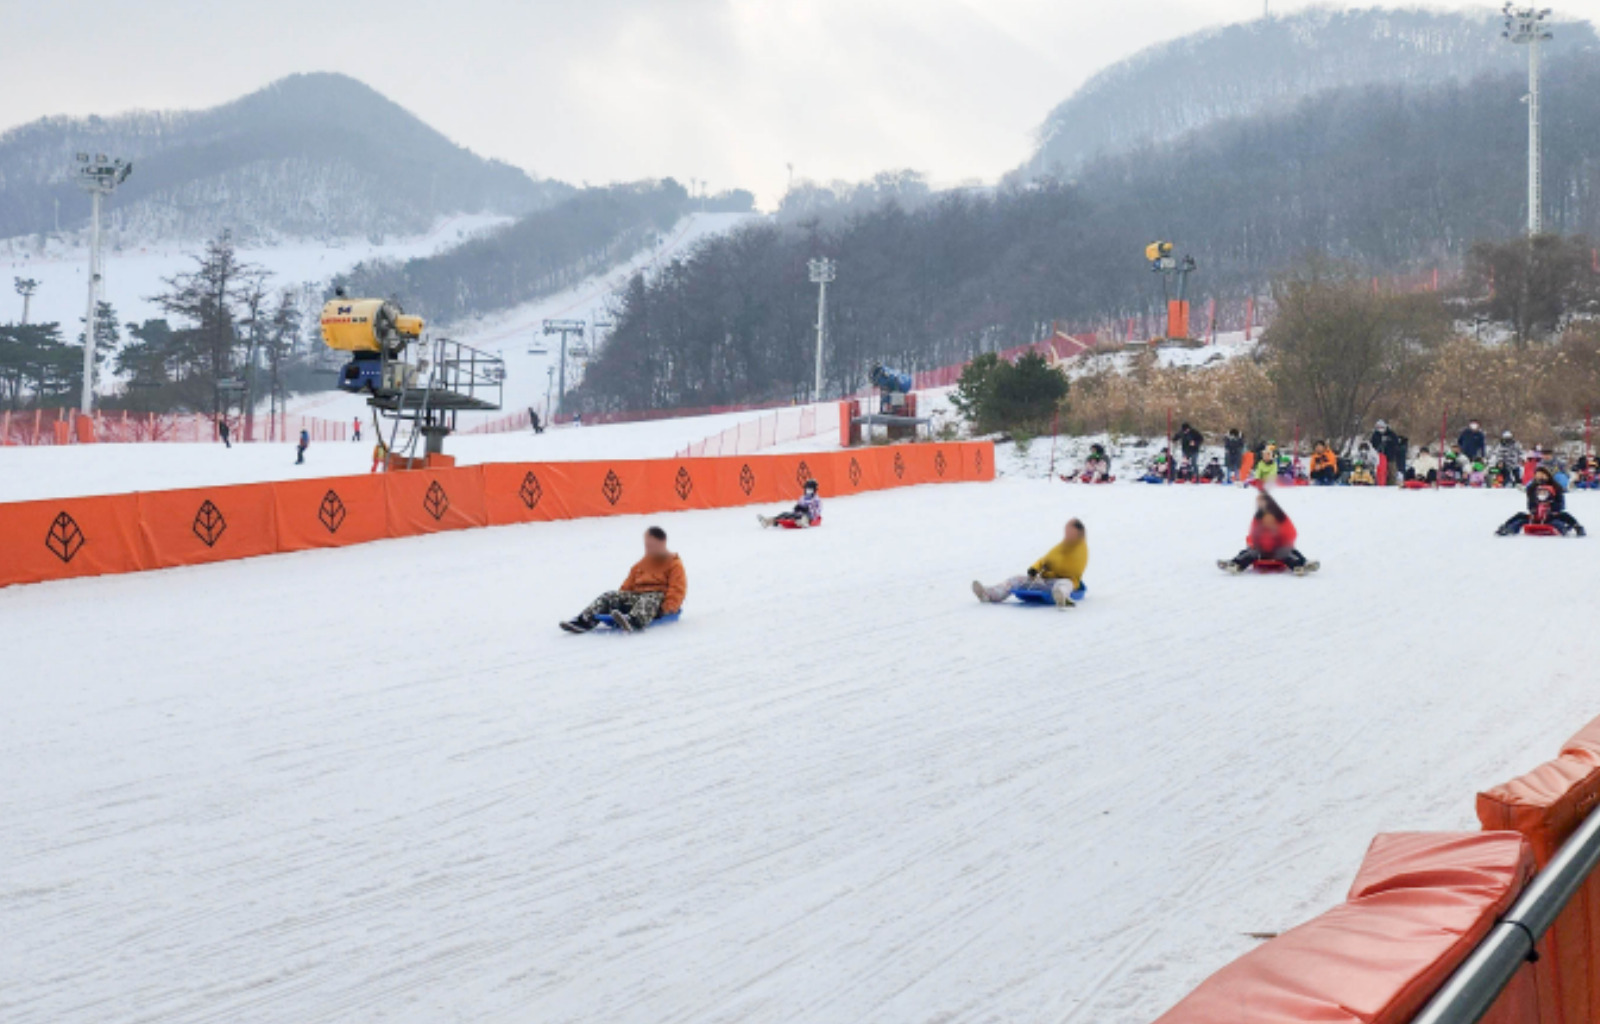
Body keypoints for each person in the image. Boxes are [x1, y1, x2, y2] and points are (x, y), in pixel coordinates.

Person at [561, 526, 688, 633]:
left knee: (652, 596)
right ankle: (584, 620)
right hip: (637, 600)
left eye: (652, 545)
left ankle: (634, 621)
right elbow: (627, 587)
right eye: (647, 545)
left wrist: (668, 609)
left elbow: (677, 589)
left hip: (657, 603)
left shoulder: (674, 564)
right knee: (610, 595)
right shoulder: (640, 565)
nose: (648, 548)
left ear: (662, 544)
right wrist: (619, 602)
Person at [972, 518, 1089, 609]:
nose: (1066, 535)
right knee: (1016, 580)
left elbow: (1073, 569)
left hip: (1063, 582)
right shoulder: (1062, 546)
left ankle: (1061, 598)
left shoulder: (1081, 550)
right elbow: (1044, 560)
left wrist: (1051, 569)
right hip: (1045, 581)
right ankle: (989, 594)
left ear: (1079, 534)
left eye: (1069, 532)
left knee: (1065, 584)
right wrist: (1034, 568)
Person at [1219, 489, 1320, 575]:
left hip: (1278, 549)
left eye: (1262, 502)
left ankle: (1301, 565)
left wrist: (1284, 542)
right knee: (1249, 553)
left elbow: (1291, 532)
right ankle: (1235, 564)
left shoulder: (1280, 517)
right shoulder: (1257, 518)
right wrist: (1253, 544)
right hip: (1261, 550)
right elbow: (1252, 535)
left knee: (1288, 553)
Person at [1497, 466, 1586, 537]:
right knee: (1520, 516)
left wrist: (1553, 508)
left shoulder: (1556, 487)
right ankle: (1508, 528)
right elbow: (1530, 503)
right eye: (1538, 475)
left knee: (1563, 516)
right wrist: (1533, 509)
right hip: (1537, 515)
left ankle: (1575, 527)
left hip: (1551, 514)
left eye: (1543, 475)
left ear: (1547, 476)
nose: (1540, 477)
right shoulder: (1532, 488)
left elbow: (1561, 504)